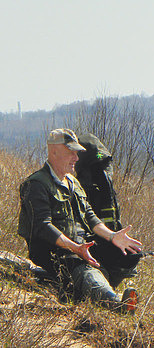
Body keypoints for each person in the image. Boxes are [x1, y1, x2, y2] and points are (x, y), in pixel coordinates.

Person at [18, 128, 142, 313]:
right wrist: (75, 248)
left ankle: (91, 289)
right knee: (81, 265)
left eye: (77, 153)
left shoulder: (73, 182)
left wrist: (113, 236)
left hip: (80, 245)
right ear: (54, 152)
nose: (76, 158)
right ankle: (116, 304)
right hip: (52, 251)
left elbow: (90, 216)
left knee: (128, 254)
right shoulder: (36, 184)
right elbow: (43, 227)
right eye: (71, 152)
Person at [75, 133, 140, 288]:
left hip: (108, 238)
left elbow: (111, 219)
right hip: (87, 244)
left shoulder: (105, 186)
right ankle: (105, 287)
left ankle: (109, 285)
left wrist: (115, 237)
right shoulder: (77, 188)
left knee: (133, 254)